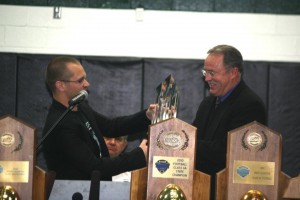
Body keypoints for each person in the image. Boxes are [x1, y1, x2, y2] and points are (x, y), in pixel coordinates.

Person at [42, 56, 156, 181]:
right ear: (61, 85)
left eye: (84, 78)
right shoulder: (60, 124)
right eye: (80, 81)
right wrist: (139, 155)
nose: (87, 84)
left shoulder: (80, 106)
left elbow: (112, 127)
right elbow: (93, 166)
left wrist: (147, 115)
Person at [192, 45, 267, 199]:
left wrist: (184, 143)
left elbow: (227, 152)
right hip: (201, 189)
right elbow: (194, 135)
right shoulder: (207, 103)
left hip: (228, 192)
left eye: (212, 73)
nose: (207, 78)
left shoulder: (250, 105)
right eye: (206, 72)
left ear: (233, 72)